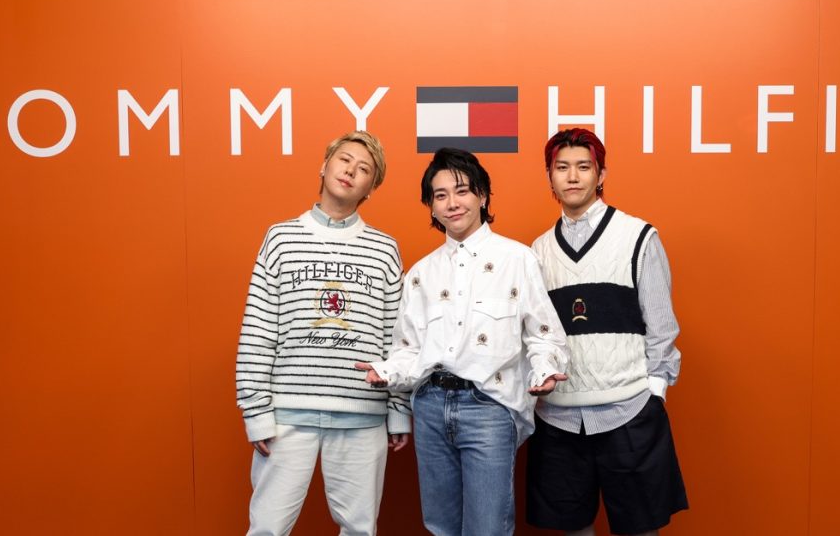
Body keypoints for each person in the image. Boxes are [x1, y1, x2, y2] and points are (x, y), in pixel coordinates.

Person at [355, 147, 569, 536]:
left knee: (487, 528)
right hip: (431, 407)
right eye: (440, 195)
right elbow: (408, 349)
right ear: (431, 207)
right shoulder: (420, 274)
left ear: (482, 196)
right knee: (441, 526)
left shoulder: (517, 259)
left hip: (489, 405)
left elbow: (543, 334)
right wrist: (385, 371)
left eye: (462, 191)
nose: (452, 203)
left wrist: (545, 370)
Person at [235, 131, 409, 536]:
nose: (351, 171)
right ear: (324, 166)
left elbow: (398, 337)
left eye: (364, 169)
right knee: (267, 528)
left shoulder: (385, 249)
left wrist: (399, 409)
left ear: (371, 188)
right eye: (344, 160)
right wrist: (256, 411)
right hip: (286, 412)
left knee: (359, 528)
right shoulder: (280, 238)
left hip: (362, 414)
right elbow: (258, 328)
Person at [525, 128, 688, 536]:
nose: (573, 176)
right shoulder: (537, 251)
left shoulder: (638, 236)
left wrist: (653, 394)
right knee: (573, 529)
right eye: (562, 167)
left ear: (601, 175)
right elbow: (535, 334)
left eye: (584, 167)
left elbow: (661, 325)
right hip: (558, 419)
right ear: (550, 177)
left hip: (629, 411)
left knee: (640, 530)